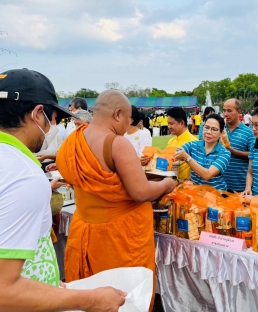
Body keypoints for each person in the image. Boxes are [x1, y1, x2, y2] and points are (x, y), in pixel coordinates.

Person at [0, 68, 126, 311]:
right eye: (53, 118)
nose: (51, 127)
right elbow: (4, 290)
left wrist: (44, 286)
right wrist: (91, 300)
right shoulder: (24, 175)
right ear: (38, 114)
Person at [56, 90, 176, 309]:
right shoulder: (117, 143)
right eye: (129, 120)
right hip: (119, 238)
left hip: (83, 230)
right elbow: (140, 192)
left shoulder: (73, 140)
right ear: (118, 114)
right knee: (124, 299)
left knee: (89, 294)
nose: (129, 126)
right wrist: (166, 185)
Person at [174, 114, 231, 190]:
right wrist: (177, 155)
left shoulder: (224, 153)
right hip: (196, 193)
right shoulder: (193, 145)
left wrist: (187, 158)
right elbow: (178, 152)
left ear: (221, 133)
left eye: (214, 129)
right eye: (206, 127)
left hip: (216, 196)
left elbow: (207, 175)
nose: (209, 132)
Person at [222, 99, 256, 192]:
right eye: (224, 110)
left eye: (229, 111)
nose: (225, 114)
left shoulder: (249, 132)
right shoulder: (220, 130)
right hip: (220, 185)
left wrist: (235, 152)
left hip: (240, 186)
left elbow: (254, 154)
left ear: (239, 112)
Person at [167, 107, 198, 181]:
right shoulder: (171, 142)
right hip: (171, 183)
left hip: (186, 186)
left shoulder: (194, 143)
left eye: (171, 124)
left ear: (182, 123)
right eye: (168, 124)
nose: (169, 127)